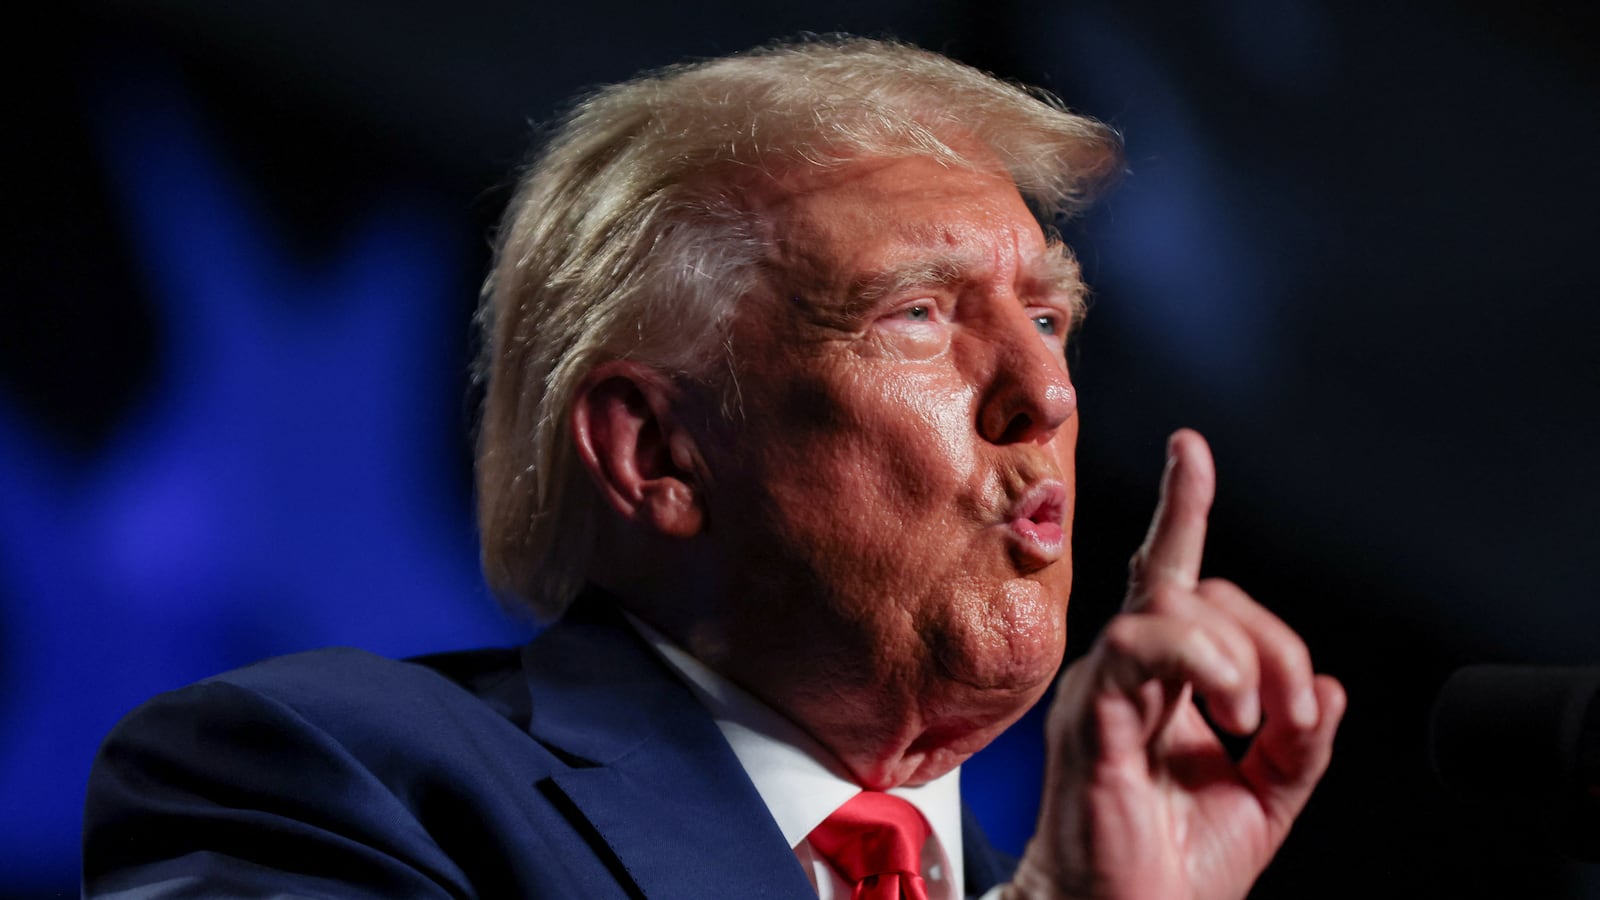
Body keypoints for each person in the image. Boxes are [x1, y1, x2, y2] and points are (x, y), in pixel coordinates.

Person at [83, 36, 1344, 899]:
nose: (1047, 394)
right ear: (657, 452)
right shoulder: (325, 777)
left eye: (1050, 318)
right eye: (916, 313)